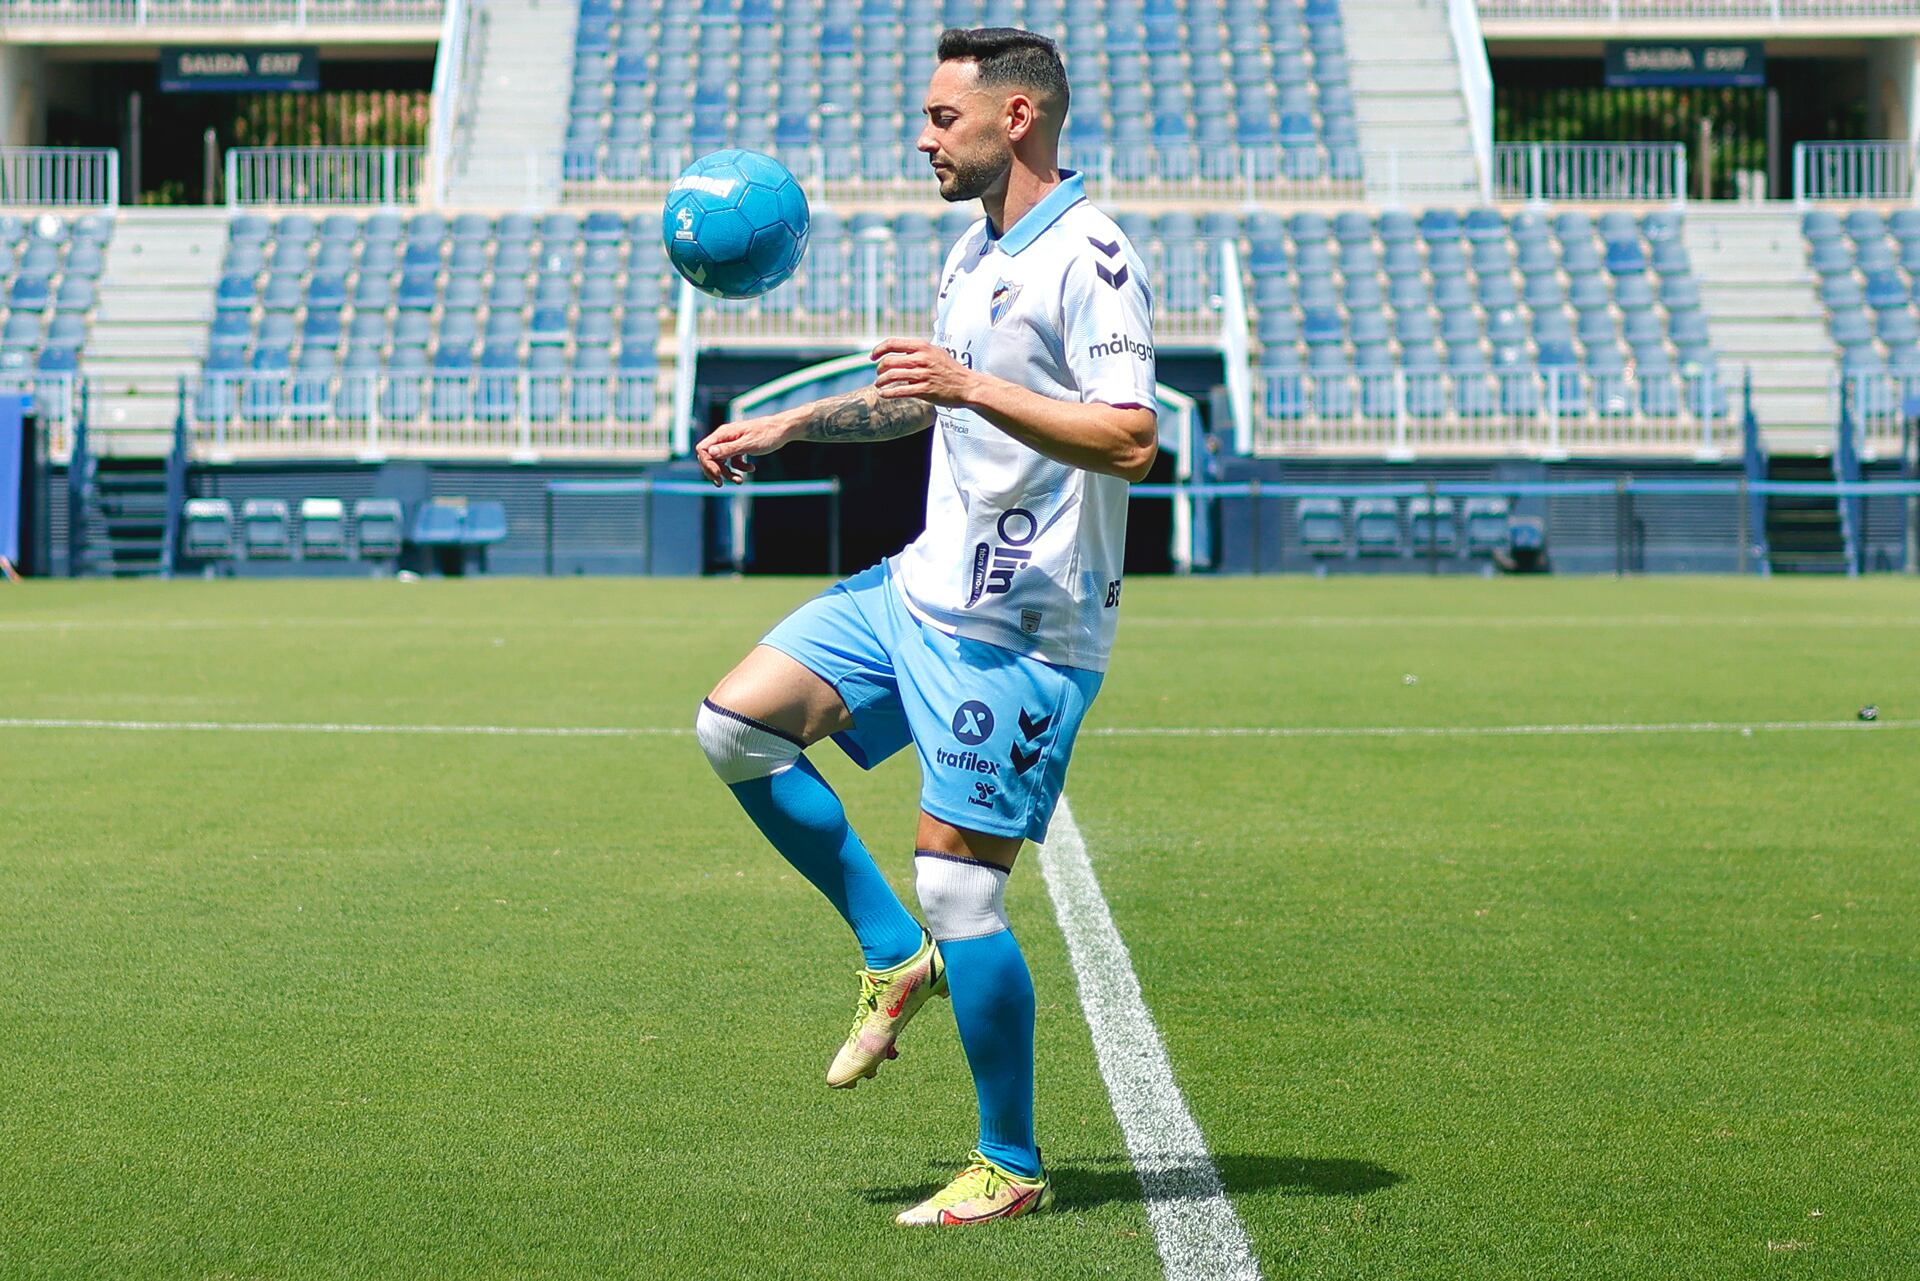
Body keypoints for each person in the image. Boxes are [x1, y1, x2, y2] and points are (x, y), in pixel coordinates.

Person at [692, 26, 1157, 1227]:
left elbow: (1131, 439)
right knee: (734, 729)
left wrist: (970, 388)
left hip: (1022, 630)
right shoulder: (973, 250)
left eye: (943, 116)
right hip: (918, 587)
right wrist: (791, 427)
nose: (921, 136)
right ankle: (892, 954)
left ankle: (1009, 1163)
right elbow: (921, 404)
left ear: (1016, 119)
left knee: (970, 901)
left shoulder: (1090, 257)